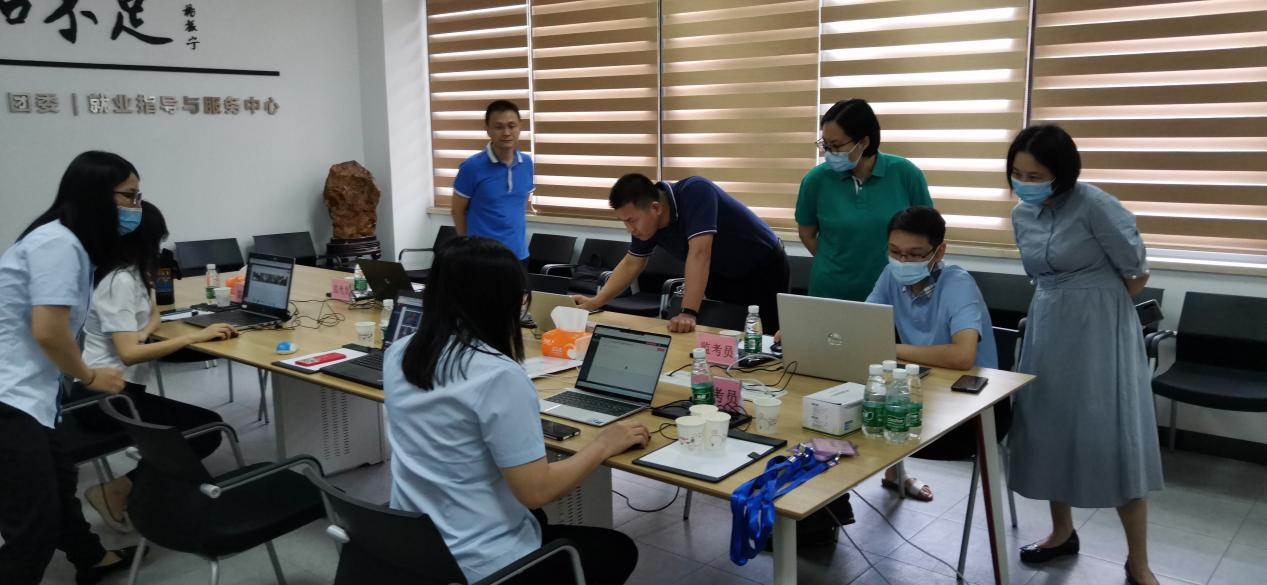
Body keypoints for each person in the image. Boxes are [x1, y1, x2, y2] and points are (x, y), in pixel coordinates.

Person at [384, 236, 646, 584]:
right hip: (479, 562)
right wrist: (603, 444)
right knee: (617, 549)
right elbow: (535, 491)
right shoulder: (498, 376)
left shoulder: (400, 351)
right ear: (501, 302)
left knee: (538, 517)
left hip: (414, 544)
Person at [1004, 125, 1162, 585]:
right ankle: (1061, 532)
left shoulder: (1095, 205)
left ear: (1062, 173)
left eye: (1036, 176)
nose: (1024, 183)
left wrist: (1095, 308)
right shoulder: (1022, 215)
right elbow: (1038, 275)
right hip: (1047, 327)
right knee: (1051, 427)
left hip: (1100, 333)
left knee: (1111, 434)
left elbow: (1137, 272)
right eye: (1017, 174)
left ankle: (1138, 562)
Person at [0, 151, 140, 585]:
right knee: (33, 528)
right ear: (97, 195)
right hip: (9, 397)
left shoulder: (64, 242)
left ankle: (91, 558)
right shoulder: (58, 244)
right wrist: (90, 375)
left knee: (59, 483)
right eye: (129, 196)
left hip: (34, 393)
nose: (135, 207)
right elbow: (48, 331)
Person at [63, 201, 236, 533]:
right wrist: (191, 337)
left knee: (195, 427)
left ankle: (140, 491)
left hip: (115, 389)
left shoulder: (130, 272)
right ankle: (116, 491)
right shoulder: (118, 281)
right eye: (157, 239)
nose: (159, 248)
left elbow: (154, 313)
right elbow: (128, 354)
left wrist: (142, 333)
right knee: (207, 429)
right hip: (104, 396)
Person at [865, 206, 999, 501]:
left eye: (914, 255)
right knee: (845, 412)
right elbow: (864, 323)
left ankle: (894, 472)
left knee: (874, 419)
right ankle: (893, 474)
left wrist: (891, 349)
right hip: (922, 389)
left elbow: (962, 356)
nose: (902, 261)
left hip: (971, 404)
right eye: (895, 252)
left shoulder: (957, 283)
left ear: (939, 252)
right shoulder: (890, 275)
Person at [575, 173, 789, 334]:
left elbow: (700, 253)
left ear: (656, 208)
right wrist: (596, 301)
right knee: (721, 336)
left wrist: (688, 312)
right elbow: (633, 262)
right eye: (624, 222)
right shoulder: (647, 224)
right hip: (719, 272)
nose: (630, 229)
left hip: (763, 267)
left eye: (631, 220)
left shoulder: (696, 191)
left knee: (768, 340)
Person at [795, 98, 933, 302]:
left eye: (836, 146)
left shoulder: (905, 174)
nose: (829, 153)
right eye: (826, 145)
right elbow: (806, 233)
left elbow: (927, 233)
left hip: (892, 292)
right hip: (830, 291)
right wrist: (835, 264)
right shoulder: (816, 180)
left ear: (864, 142)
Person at [451, 99, 535, 262]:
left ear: (520, 127)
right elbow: (457, 211)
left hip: (518, 254)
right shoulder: (472, 167)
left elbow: (519, 205)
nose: (506, 132)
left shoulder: (527, 163)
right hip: (481, 257)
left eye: (512, 126)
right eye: (499, 127)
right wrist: (466, 247)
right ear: (488, 130)